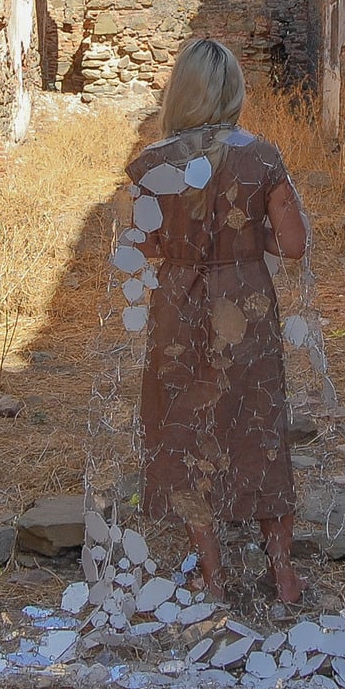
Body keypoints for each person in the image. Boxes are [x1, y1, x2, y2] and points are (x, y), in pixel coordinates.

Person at [123, 38, 309, 604]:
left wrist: (186, 243)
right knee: (258, 421)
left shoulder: (152, 164)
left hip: (179, 303)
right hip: (246, 302)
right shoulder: (264, 157)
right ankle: (282, 576)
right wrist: (252, 237)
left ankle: (213, 575)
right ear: (233, 90)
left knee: (185, 422)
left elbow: (143, 244)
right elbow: (295, 245)